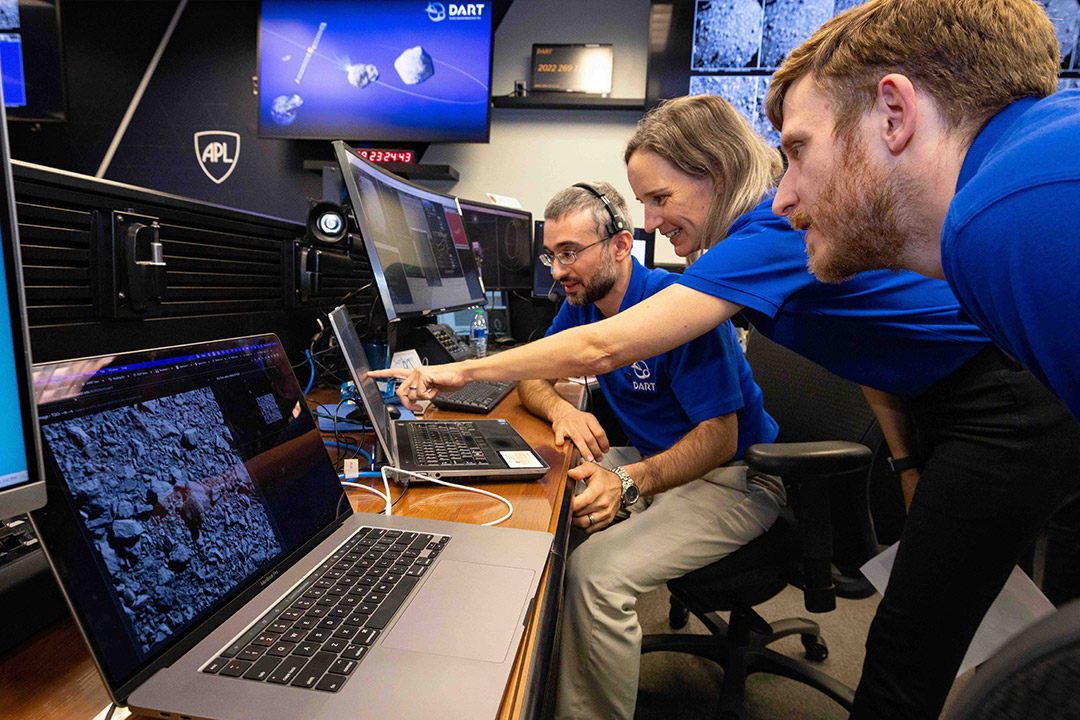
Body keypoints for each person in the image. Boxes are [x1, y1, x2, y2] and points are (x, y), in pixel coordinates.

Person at [371, 94, 1080, 720]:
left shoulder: (758, 243)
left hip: (1001, 398)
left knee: (913, 641)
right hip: (949, 404)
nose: (648, 219)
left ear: (712, 173)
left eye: (659, 198)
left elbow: (599, 352)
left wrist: (457, 370)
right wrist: (905, 462)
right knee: (958, 624)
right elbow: (868, 359)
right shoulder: (762, 243)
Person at [518, 181, 784, 720]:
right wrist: (562, 410)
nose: (557, 270)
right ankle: (532, 688)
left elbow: (720, 437)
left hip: (735, 477)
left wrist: (630, 480)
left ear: (620, 246)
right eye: (552, 254)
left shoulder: (674, 307)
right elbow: (530, 373)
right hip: (663, 465)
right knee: (541, 507)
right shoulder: (584, 306)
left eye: (571, 252)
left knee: (596, 576)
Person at [763, 0, 1080, 422]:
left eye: (798, 150)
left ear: (893, 116)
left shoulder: (1006, 215)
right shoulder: (1030, 172)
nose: (782, 200)